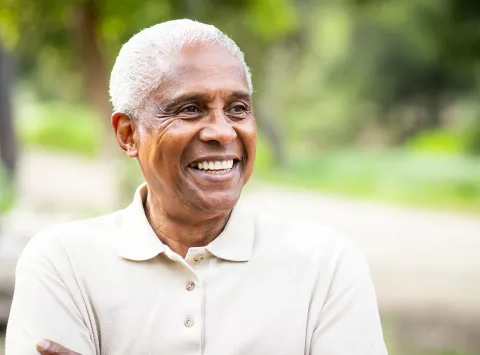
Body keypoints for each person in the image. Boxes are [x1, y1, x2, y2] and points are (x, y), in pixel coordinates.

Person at [5, 19, 388, 355]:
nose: (223, 132)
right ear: (127, 134)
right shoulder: (64, 263)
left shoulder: (326, 265)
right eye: (190, 109)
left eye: (238, 109)